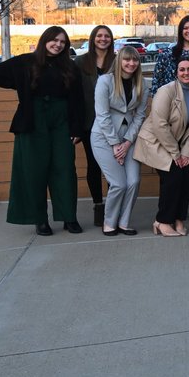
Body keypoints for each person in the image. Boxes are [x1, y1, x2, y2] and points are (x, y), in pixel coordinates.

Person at [0, 26, 86, 236]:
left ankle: (69, 217)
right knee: (33, 170)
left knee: (65, 168)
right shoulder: (26, 62)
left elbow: (77, 100)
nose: (58, 45)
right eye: (54, 40)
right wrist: (20, 85)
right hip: (32, 119)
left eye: (62, 42)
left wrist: (77, 128)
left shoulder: (70, 67)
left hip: (61, 120)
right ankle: (39, 219)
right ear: (45, 40)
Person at [134, 57, 189, 237]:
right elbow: (160, 125)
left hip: (179, 146)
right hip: (156, 142)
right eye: (182, 70)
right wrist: (176, 154)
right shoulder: (166, 91)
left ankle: (179, 219)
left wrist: (187, 154)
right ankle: (163, 221)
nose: (186, 73)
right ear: (176, 73)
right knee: (174, 176)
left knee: (188, 173)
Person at [91, 44, 150, 235]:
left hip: (129, 139)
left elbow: (140, 116)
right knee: (118, 183)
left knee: (133, 181)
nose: (131, 63)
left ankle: (124, 222)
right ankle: (109, 222)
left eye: (135, 60)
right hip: (103, 137)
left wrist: (126, 143)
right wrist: (115, 144)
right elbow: (102, 115)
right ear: (119, 60)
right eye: (127, 59)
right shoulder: (105, 81)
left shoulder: (143, 84)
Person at [76, 24, 115, 227]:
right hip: (89, 123)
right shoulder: (81, 62)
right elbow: (74, 95)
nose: (103, 39)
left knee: (113, 166)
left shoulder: (118, 61)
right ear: (93, 39)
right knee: (94, 166)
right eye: (99, 35)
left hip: (114, 124)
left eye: (107, 36)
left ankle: (112, 204)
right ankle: (98, 205)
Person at [150, 15, 189, 95]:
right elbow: (157, 81)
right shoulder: (167, 54)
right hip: (171, 101)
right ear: (181, 31)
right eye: (185, 28)